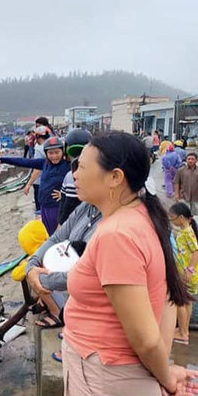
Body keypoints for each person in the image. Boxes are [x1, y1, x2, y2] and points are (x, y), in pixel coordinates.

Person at [64, 131, 197, 395]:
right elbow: (168, 296)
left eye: (81, 166)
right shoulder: (144, 215)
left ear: (115, 177)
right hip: (111, 371)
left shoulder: (117, 235)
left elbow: (146, 341)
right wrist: (164, 369)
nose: (75, 174)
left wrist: (167, 380)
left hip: (103, 374)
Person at [1, 137, 70, 235]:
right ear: (46, 154)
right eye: (50, 153)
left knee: (56, 235)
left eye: (57, 152)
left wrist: (64, 194)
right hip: (44, 206)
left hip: (56, 207)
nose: (54, 156)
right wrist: (2, 160)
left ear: (62, 152)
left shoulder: (68, 166)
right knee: (47, 233)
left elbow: (78, 183)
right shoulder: (44, 163)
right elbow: (24, 162)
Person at [169, 202, 198, 346]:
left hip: (187, 273)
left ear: (181, 217)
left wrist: (190, 270)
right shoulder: (183, 231)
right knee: (187, 301)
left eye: (172, 217)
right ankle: (184, 330)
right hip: (186, 272)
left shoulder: (187, 232)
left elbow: (196, 251)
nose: (171, 220)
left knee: (181, 300)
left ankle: (182, 332)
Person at [24, 126, 51, 215]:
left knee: (40, 209)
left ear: (38, 137)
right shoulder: (53, 146)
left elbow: (37, 169)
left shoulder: (39, 149)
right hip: (51, 181)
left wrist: (29, 183)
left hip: (40, 182)